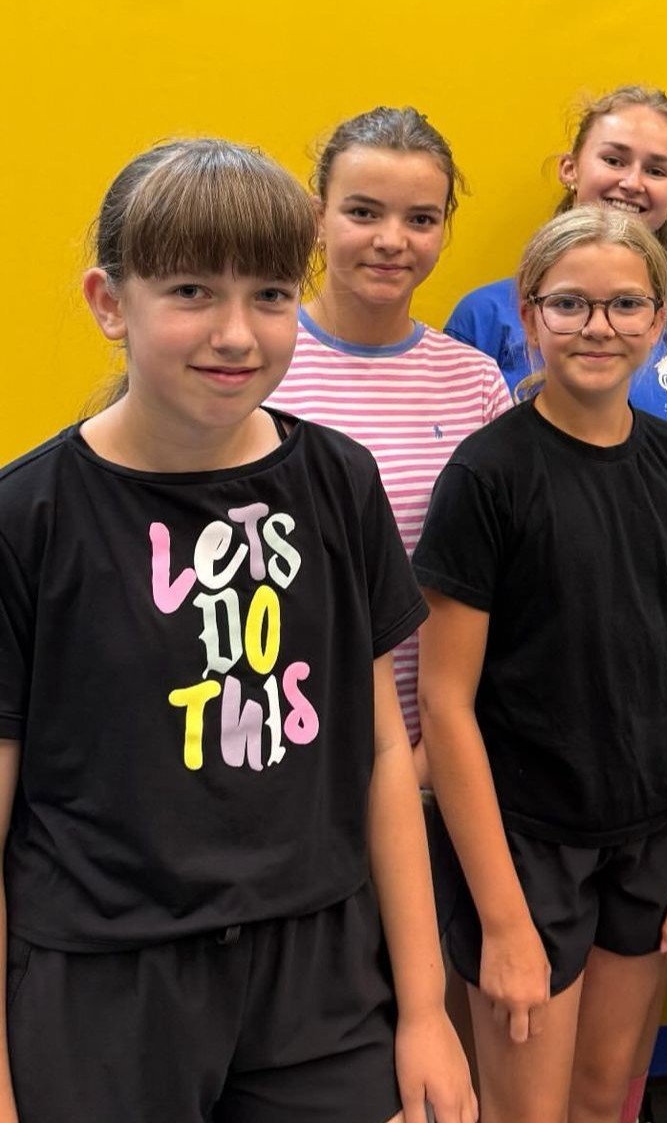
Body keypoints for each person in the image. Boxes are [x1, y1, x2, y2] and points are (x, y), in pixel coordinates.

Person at [0, 139, 475, 1123]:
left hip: (319, 978)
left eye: (269, 295)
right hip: (105, 982)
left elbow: (382, 750)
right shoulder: (29, 518)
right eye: (190, 292)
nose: (235, 333)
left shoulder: (338, 480)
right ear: (108, 302)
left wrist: (425, 1008)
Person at [415, 205, 667, 1123]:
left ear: (662, 320)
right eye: (570, 305)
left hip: (653, 833)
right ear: (529, 316)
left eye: (626, 304)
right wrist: (503, 919)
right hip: (527, 846)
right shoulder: (487, 474)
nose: (599, 327)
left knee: (603, 1098)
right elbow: (446, 703)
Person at [270, 106, 511, 776]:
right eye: (363, 212)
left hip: (434, 758)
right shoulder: (257, 365)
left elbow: (505, 586)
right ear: (318, 217)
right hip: (284, 758)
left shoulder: (474, 382)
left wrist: (427, 764)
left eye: (420, 219)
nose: (391, 240)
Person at [446, 85, 667, 503]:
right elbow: (460, 479)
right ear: (570, 169)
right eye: (614, 160)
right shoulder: (484, 315)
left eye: (656, 170)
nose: (631, 182)